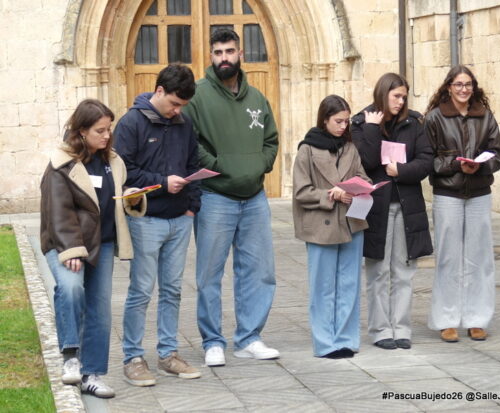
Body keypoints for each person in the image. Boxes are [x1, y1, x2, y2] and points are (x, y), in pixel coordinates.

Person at [183, 28, 279, 367]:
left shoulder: (257, 98)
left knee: (259, 270)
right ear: (211, 56)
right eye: (218, 52)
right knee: (209, 274)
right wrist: (220, 167)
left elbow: (271, 140)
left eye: (229, 51)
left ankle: (249, 338)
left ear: (241, 54)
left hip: (255, 198)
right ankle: (212, 341)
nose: (224, 58)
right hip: (215, 197)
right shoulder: (197, 96)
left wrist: (258, 166)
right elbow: (190, 142)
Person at [40, 99, 146, 398]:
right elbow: (58, 210)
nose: (107, 135)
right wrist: (72, 249)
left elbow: (112, 198)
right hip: (66, 242)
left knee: (100, 309)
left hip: (103, 242)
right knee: (71, 288)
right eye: (100, 130)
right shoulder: (61, 163)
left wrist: (132, 197)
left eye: (109, 129)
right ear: (82, 131)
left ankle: (92, 374)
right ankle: (70, 356)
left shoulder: (112, 161)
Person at [113, 63, 202, 386]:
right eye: (174, 103)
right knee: (141, 290)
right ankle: (133, 358)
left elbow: (193, 165)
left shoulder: (184, 123)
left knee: (173, 290)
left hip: (180, 220)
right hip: (146, 220)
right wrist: (164, 183)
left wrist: (191, 207)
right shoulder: (131, 123)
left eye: (182, 106)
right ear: (159, 91)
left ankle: (168, 354)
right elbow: (124, 172)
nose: (177, 111)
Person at [351, 73, 433, 350]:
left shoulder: (414, 123)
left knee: (404, 271)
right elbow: (365, 161)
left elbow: (426, 161)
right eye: (396, 96)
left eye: (404, 97)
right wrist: (373, 128)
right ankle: (380, 330)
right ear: (383, 93)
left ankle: (402, 328)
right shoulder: (361, 122)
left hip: (407, 206)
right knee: (378, 271)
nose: (400, 102)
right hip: (376, 207)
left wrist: (402, 170)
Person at [425, 65, 500, 342]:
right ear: (449, 87)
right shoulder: (434, 118)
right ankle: (447, 320)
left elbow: (498, 154)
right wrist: (456, 164)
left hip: (479, 193)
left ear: (474, 87)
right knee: (448, 257)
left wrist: (481, 166)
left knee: (480, 257)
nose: (463, 89)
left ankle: (477, 319)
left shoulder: (485, 115)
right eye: (458, 84)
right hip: (447, 194)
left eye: (468, 84)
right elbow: (427, 159)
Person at [292, 95, 369, 358]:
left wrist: (356, 189)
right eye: (338, 121)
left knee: (349, 284)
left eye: (346, 121)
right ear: (324, 119)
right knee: (323, 287)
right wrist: (331, 195)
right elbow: (301, 191)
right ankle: (325, 343)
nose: (343, 126)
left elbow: (364, 178)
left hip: (351, 222)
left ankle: (346, 339)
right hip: (321, 225)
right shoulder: (307, 150)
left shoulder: (350, 148)